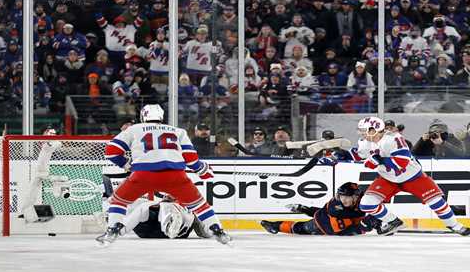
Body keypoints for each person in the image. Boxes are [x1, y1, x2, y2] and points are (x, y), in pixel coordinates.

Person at [97, 104, 231, 244]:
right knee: (200, 205)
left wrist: (126, 164)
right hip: (175, 176)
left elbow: (111, 151)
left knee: (118, 201)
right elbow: (191, 159)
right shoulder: (178, 131)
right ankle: (218, 231)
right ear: (161, 117)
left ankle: (113, 230)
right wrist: (204, 170)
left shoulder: (134, 129)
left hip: (143, 174)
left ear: (143, 116)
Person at [338, 116, 470, 236]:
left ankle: (455, 225)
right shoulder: (365, 141)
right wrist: (342, 154)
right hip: (388, 179)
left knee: (437, 202)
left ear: (374, 130)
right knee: (366, 204)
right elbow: (359, 154)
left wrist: (380, 160)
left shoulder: (394, 139)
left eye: (364, 130)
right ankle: (394, 222)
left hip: (413, 177)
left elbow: (402, 161)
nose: (361, 133)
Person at [261, 182, 381, 236]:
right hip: (323, 224)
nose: (343, 199)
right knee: (299, 228)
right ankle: (272, 225)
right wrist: (367, 223)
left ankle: (303, 209)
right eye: (341, 196)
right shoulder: (336, 205)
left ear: (355, 196)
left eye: (346, 197)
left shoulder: (361, 198)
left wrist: (378, 221)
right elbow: (345, 219)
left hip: (332, 220)